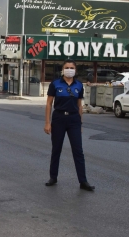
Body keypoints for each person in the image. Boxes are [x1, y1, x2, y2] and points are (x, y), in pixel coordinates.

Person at [44, 59, 94, 192]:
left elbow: (79, 105)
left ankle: (83, 181)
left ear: (75, 70)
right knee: (56, 149)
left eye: (72, 67)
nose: (69, 69)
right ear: (62, 69)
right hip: (59, 118)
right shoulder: (55, 84)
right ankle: (53, 177)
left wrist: (80, 123)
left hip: (74, 120)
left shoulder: (78, 85)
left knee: (78, 151)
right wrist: (47, 122)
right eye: (67, 67)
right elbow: (49, 103)